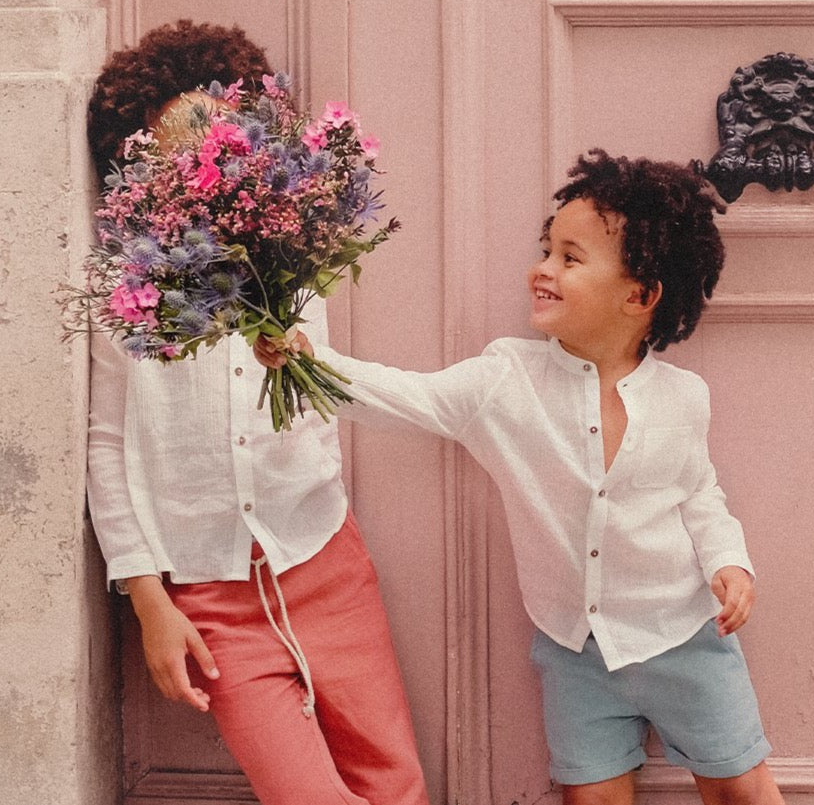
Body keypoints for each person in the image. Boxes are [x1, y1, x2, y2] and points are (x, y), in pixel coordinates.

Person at [256, 150, 786, 805]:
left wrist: (729, 562)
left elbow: (700, 495)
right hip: (575, 651)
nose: (542, 268)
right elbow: (403, 394)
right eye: (546, 249)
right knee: (589, 796)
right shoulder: (504, 379)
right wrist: (309, 364)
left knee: (741, 785)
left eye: (570, 257)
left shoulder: (684, 397)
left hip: (684, 636)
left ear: (640, 295)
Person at [86, 20, 430, 805]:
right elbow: (107, 448)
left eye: (217, 138)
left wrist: (296, 355)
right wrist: (150, 603)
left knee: (396, 785)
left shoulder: (292, 260)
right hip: (209, 601)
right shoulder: (123, 289)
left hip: (324, 561)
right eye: (173, 147)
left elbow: (324, 391)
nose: (202, 162)